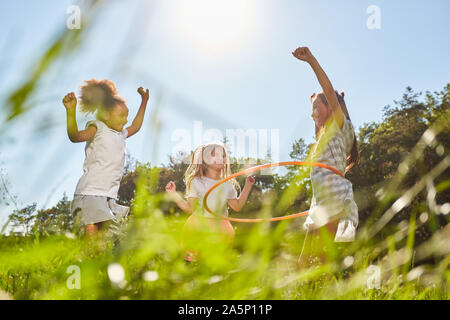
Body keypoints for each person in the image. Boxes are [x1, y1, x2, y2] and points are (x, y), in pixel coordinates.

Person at [292, 47, 360, 267]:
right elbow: (319, 117)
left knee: (322, 258)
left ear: (332, 107)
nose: (312, 113)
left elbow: (329, 91)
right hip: (319, 202)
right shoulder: (322, 137)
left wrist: (311, 61)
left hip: (333, 197)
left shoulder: (340, 126)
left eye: (316, 107)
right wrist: (315, 109)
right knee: (303, 261)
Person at [62, 79, 149, 237]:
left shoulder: (121, 134)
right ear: (107, 115)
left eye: (126, 116)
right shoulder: (98, 128)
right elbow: (75, 136)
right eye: (122, 115)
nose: (126, 120)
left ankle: (94, 260)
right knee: (91, 235)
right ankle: (87, 259)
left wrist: (144, 101)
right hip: (90, 192)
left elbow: (136, 125)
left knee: (102, 243)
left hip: (108, 196)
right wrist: (70, 112)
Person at [165, 142, 255, 262]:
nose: (220, 158)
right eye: (214, 155)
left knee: (215, 265)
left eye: (222, 156)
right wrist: (173, 194)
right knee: (196, 264)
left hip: (221, 229)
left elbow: (237, 206)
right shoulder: (196, 182)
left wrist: (248, 185)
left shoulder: (227, 184)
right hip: (199, 226)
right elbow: (189, 209)